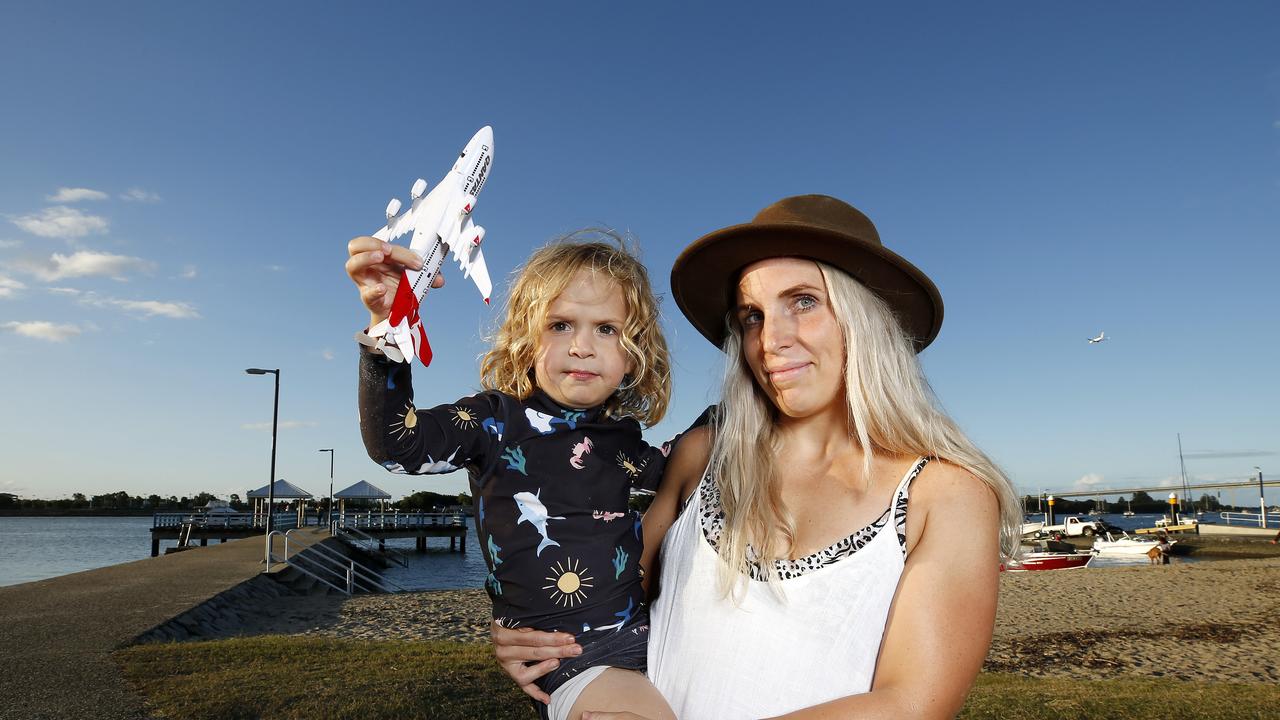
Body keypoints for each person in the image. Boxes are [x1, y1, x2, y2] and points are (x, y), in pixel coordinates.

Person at [493, 195, 1022, 719]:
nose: (771, 339)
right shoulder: (702, 457)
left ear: (865, 318)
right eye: (752, 316)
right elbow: (609, 597)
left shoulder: (945, 495)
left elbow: (912, 705)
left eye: (804, 302)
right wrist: (535, 635)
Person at [346, 233, 679, 720]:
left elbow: (689, 466)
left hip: (653, 640)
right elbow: (399, 446)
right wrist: (388, 326)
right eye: (561, 325)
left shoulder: (624, 441)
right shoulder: (494, 421)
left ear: (634, 353)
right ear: (526, 337)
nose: (583, 347)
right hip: (569, 657)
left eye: (606, 329)